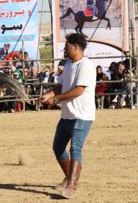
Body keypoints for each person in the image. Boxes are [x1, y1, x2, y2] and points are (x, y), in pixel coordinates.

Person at [39, 33, 96, 199]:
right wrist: (49, 94)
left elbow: (79, 90)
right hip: (67, 115)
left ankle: (71, 186)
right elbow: (61, 86)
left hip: (82, 115)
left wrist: (55, 99)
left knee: (75, 148)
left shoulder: (86, 65)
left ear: (75, 47)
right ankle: (69, 176)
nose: (64, 49)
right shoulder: (69, 65)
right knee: (58, 147)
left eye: (66, 46)